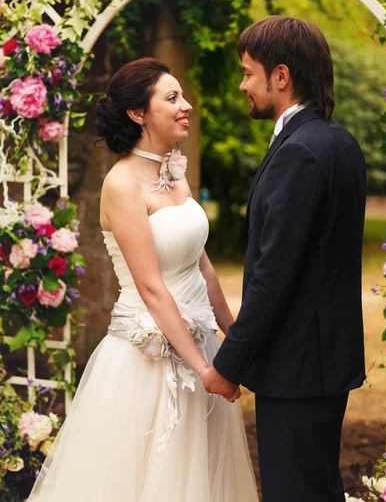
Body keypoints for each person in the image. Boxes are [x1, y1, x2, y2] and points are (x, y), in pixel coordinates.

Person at [28, 58, 258, 501]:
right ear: (138, 113)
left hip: (201, 348)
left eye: (182, 95)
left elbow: (202, 266)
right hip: (148, 362)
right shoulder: (121, 184)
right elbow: (152, 287)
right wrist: (205, 369)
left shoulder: (175, 171)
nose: (186, 105)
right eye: (172, 98)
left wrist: (235, 339)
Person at [203, 16, 367, 502]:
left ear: (281, 76)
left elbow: (274, 274)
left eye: (248, 72)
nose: (242, 84)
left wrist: (229, 363)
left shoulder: (300, 151)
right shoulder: (340, 142)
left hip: (296, 366)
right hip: (323, 361)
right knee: (318, 488)